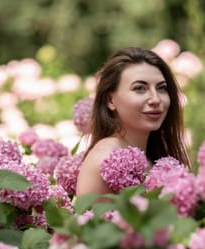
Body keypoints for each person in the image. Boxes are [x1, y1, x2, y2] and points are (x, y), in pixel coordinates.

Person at [76, 47, 191, 198]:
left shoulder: (154, 155)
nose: (156, 99)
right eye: (140, 88)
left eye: (162, 88)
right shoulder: (104, 161)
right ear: (110, 100)